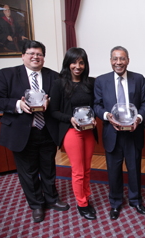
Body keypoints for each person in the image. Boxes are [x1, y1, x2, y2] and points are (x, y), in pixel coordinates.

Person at [0, 40, 70, 223]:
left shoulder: (54, 76)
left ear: (43, 57)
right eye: (31, 53)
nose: (35, 57)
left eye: (39, 54)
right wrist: (17, 104)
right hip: (21, 132)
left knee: (49, 168)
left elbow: (62, 103)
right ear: (23, 55)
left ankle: (51, 199)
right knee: (28, 172)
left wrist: (50, 105)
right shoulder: (7, 74)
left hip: (47, 131)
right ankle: (36, 205)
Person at [94, 46, 145, 220]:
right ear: (111, 61)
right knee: (113, 171)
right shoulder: (101, 81)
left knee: (134, 169)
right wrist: (107, 116)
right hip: (112, 133)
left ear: (128, 60)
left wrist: (139, 119)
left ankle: (136, 200)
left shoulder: (138, 79)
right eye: (115, 59)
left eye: (122, 59)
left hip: (133, 133)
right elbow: (96, 105)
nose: (119, 62)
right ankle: (116, 203)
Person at [49, 48, 98, 220]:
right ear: (68, 63)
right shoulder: (59, 83)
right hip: (72, 132)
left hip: (89, 131)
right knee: (78, 171)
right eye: (74, 62)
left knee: (87, 169)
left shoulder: (90, 83)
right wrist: (70, 119)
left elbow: (94, 107)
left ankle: (86, 196)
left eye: (81, 62)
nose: (78, 66)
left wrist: (94, 119)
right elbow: (53, 111)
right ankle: (82, 203)